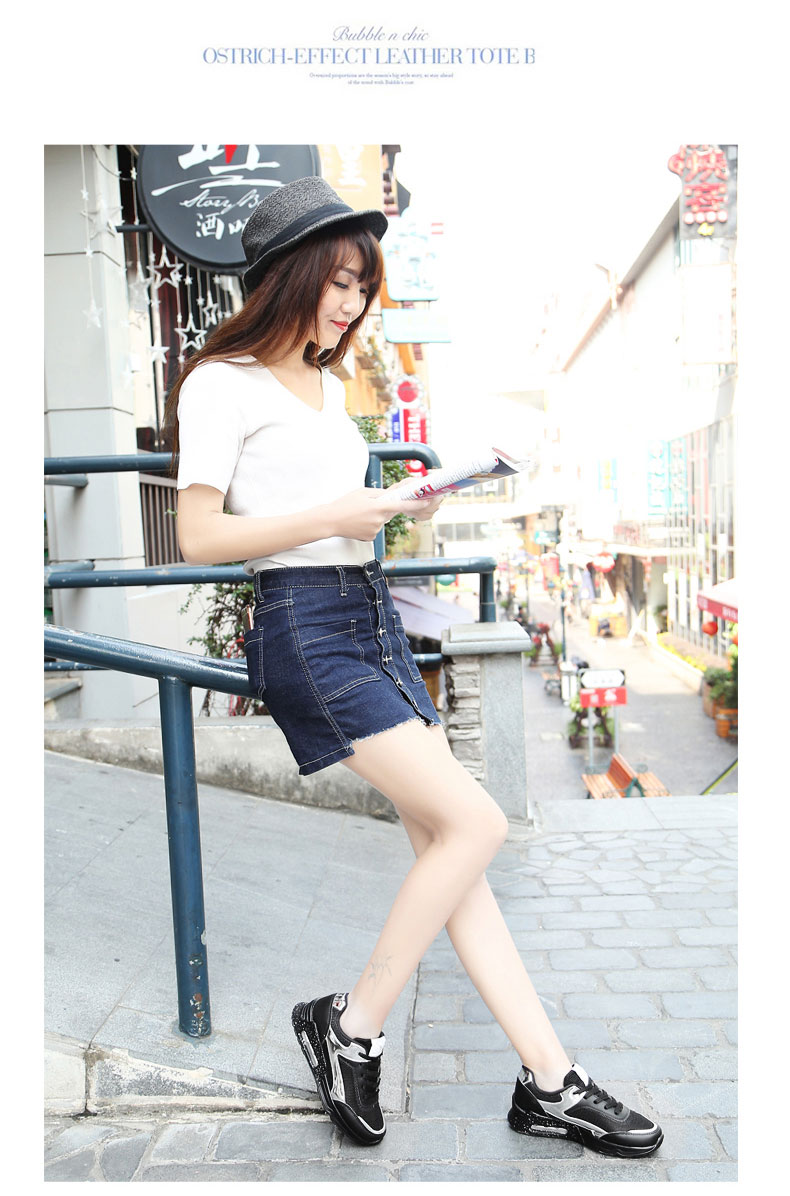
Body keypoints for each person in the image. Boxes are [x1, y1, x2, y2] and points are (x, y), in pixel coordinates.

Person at [166, 176, 663, 1160]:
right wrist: (336, 515)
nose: (352, 301)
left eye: (363, 284)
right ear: (288, 274)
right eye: (339, 280)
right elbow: (199, 535)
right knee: (477, 823)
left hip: (371, 617)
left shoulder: (324, 387)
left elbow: (340, 514)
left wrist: (403, 505)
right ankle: (350, 1026)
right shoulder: (219, 381)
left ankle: (550, 1081)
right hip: (307, 630)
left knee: (454, 856)